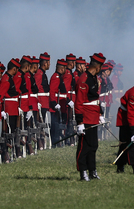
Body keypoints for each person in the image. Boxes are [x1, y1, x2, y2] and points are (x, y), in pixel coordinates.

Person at [74, 52, 106, 181]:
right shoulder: (84, 79)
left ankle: (92, 170)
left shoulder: (93, 78)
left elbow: (95, 98)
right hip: (86, 118)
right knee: (84, 147)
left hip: (93, 117)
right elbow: (79, 102)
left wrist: (100, 114)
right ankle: (83, 172)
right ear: (97, 66)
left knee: (93, 146)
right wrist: (80, 122)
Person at [0, 58, 21, 161]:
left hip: (13, 108)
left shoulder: (9, 78)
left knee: (12, 132)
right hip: (8, 109)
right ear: (14, 69)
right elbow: (1, 96)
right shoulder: (6, 79)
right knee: (7, 133)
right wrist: (1, 110)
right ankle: (5, 153)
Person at [49, 59, 68, 147]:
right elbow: (52, 92)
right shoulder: (55, 77)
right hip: (56, 105)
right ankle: (55, 142)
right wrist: (54, 103)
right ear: (61, 69)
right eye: (64, 68)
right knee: (55, 126)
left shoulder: (59, 77)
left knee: (59, 125)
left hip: (61, 104)